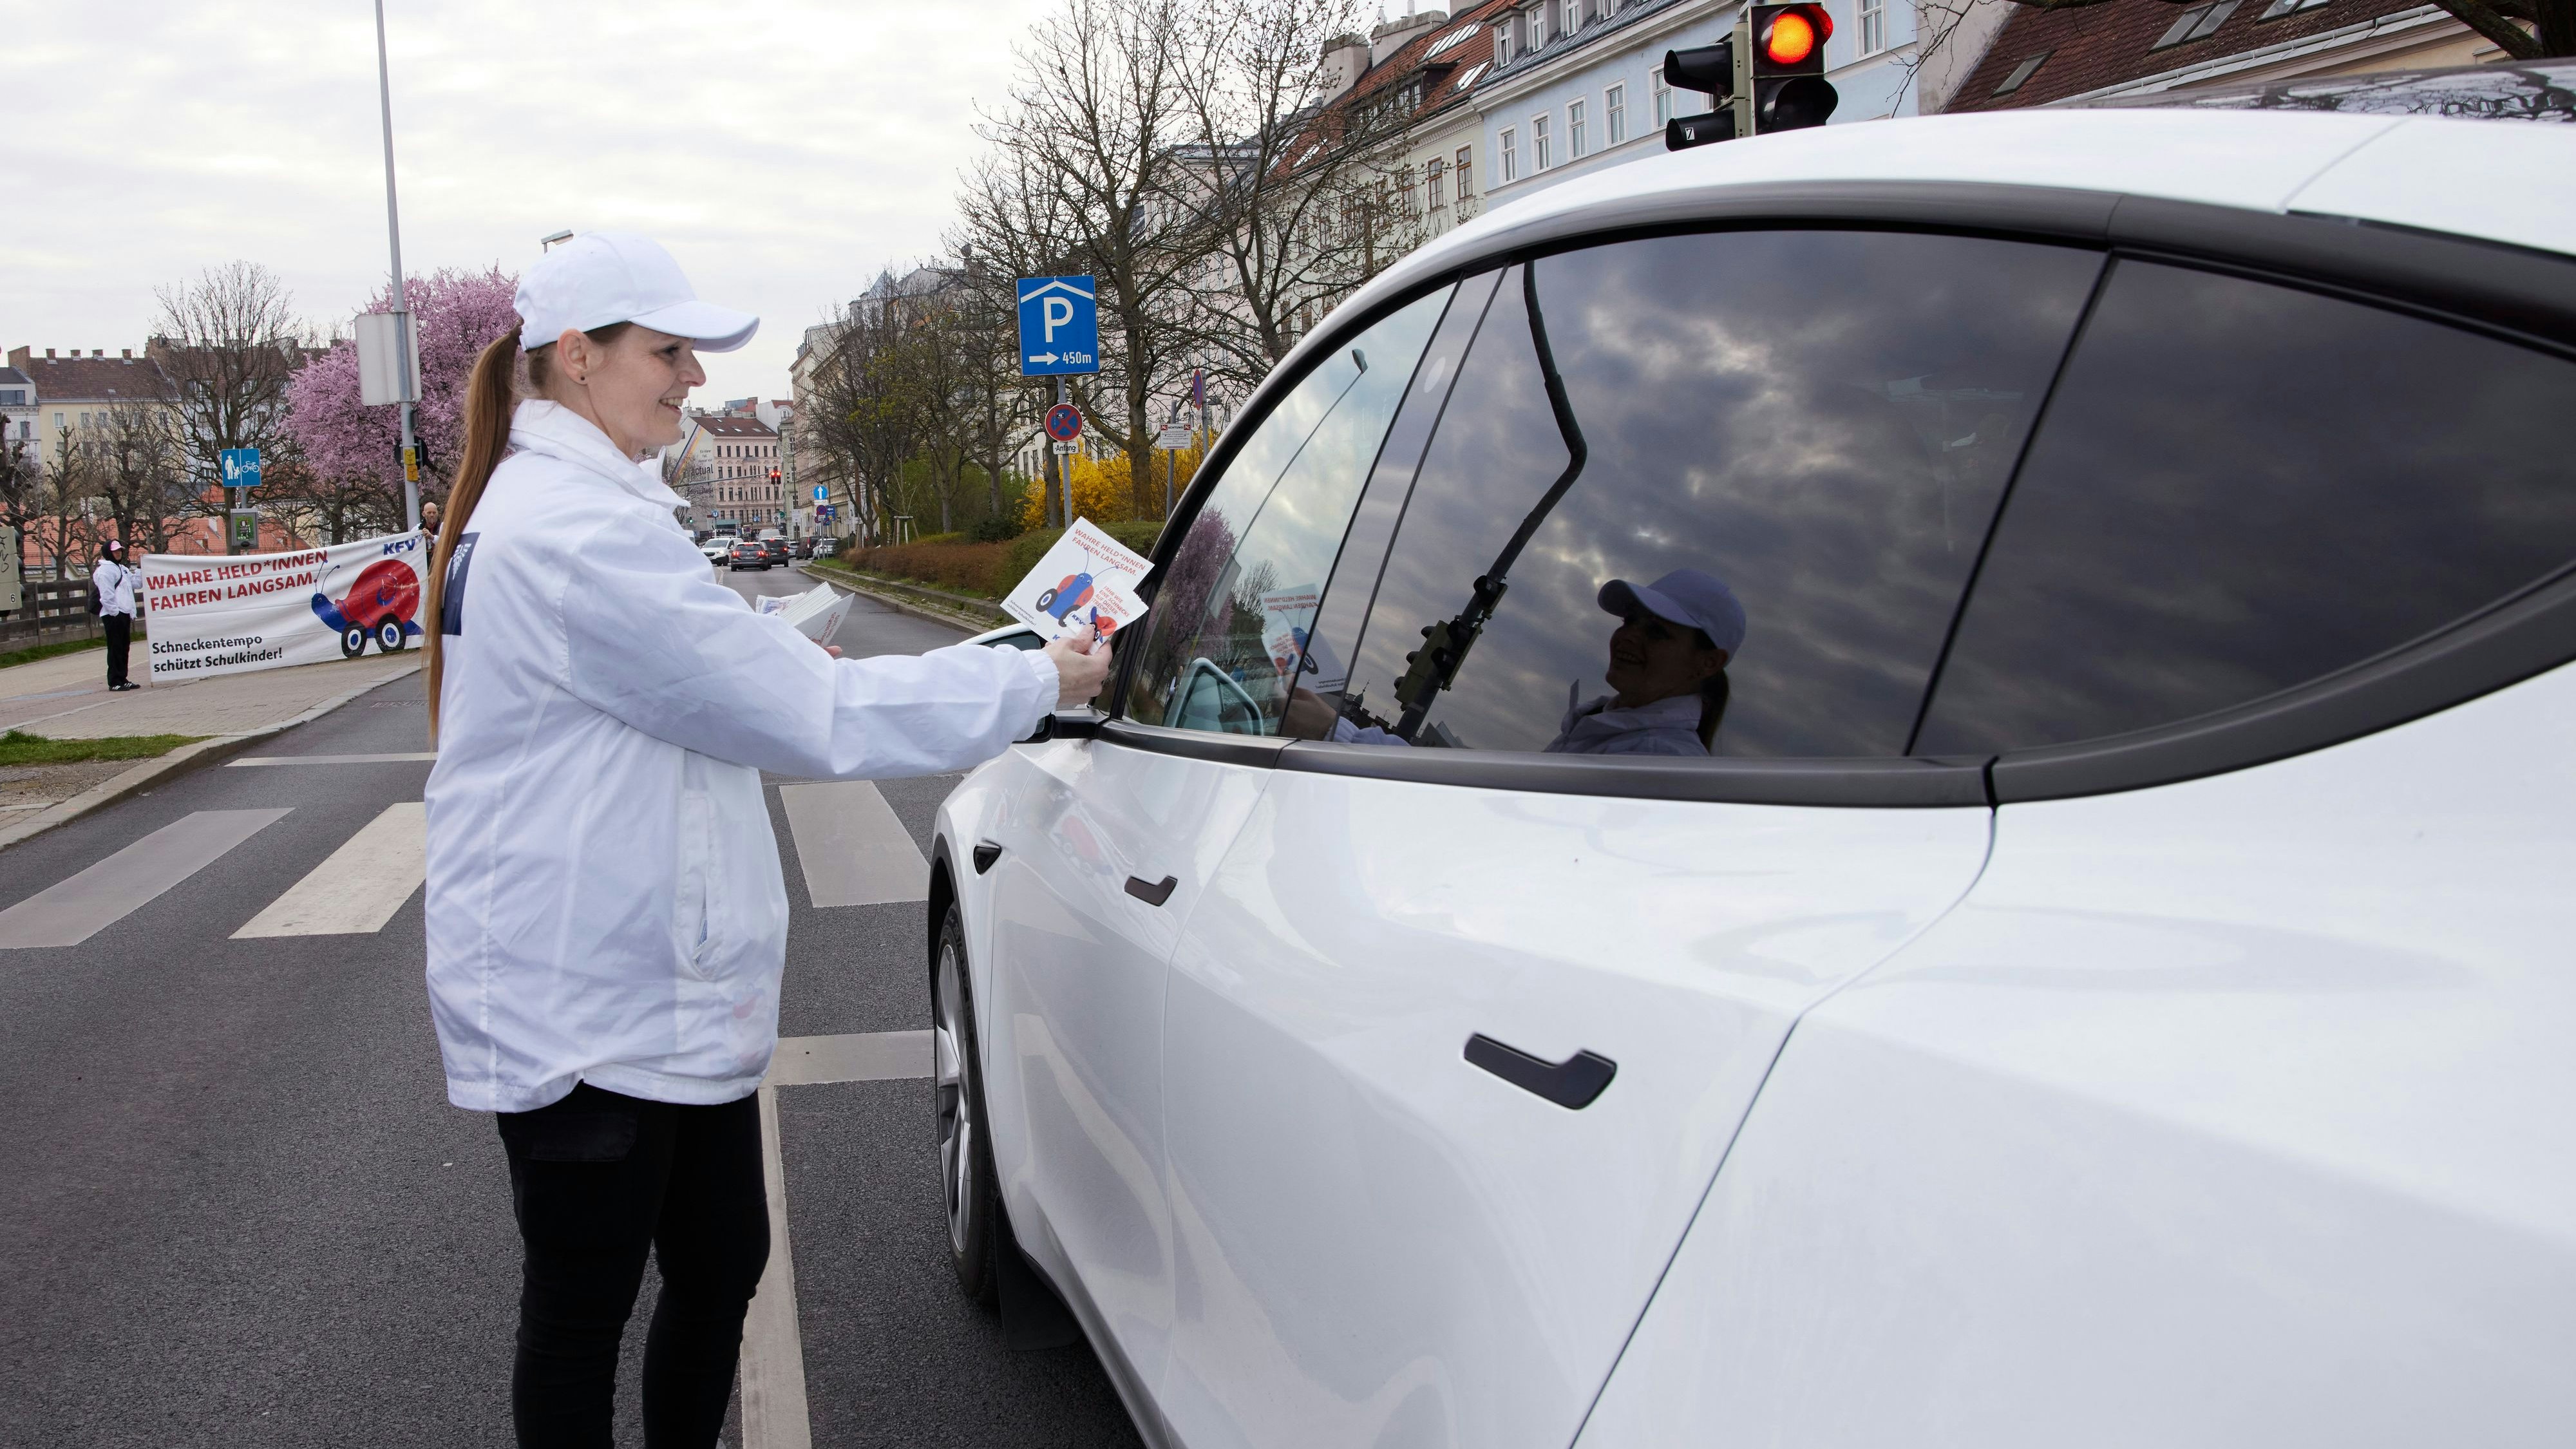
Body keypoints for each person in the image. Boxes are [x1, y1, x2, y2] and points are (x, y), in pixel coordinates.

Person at [419, 231, 1112, 1449]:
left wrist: (770, 650)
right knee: (583, 1315)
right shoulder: (574, 532)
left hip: (645, 984)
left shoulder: (578, 508)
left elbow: (693, 678)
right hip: (593, 998)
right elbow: (810, 717)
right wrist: (1034, 678)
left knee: (721, 1258)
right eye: (669, 350)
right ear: (576, 358)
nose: (691, 378)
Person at [1288, 568, 1743, 755]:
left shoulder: (1655, 760)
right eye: (1630, 619)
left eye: (1657, 631)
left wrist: (1337, 731)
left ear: (1707, 664)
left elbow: (1486, 823)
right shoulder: (1608, 727)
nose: (1629, 636)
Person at [94, 539, 139, 692]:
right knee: (115, 647)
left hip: (125, 613)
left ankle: (123, 677)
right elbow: (106, 595)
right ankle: (114, 680)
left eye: (120, 550)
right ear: (108, 552)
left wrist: (140, 568)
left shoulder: (122, 569)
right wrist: (115, 612)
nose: (118, 553)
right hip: (113, 614)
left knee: (124, 647)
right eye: (115, 551)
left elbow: (137, 583)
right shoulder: (105, 571)